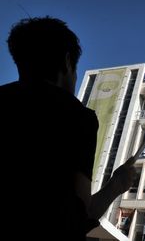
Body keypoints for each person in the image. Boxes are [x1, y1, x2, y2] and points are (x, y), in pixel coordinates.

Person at [0, 16, 136, 240]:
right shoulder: (75, 116)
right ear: (66, 62)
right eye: (76, 69)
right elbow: (78, 216)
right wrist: (116, 185)